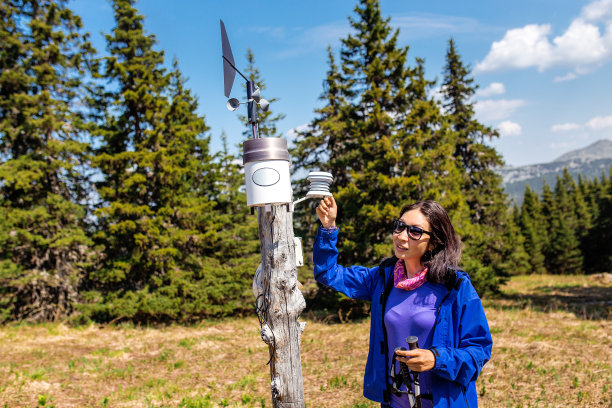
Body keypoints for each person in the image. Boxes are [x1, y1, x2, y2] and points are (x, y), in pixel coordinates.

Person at [313, 196, 492, 408]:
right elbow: (328, 273)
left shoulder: (455, 286)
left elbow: (479, 350)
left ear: (434, 241)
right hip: (395, 403)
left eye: (415, 231)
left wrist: (436, 359)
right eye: (399, 227)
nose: (401, 236)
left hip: (443, 403)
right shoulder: (383, 278)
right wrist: (328, 227)